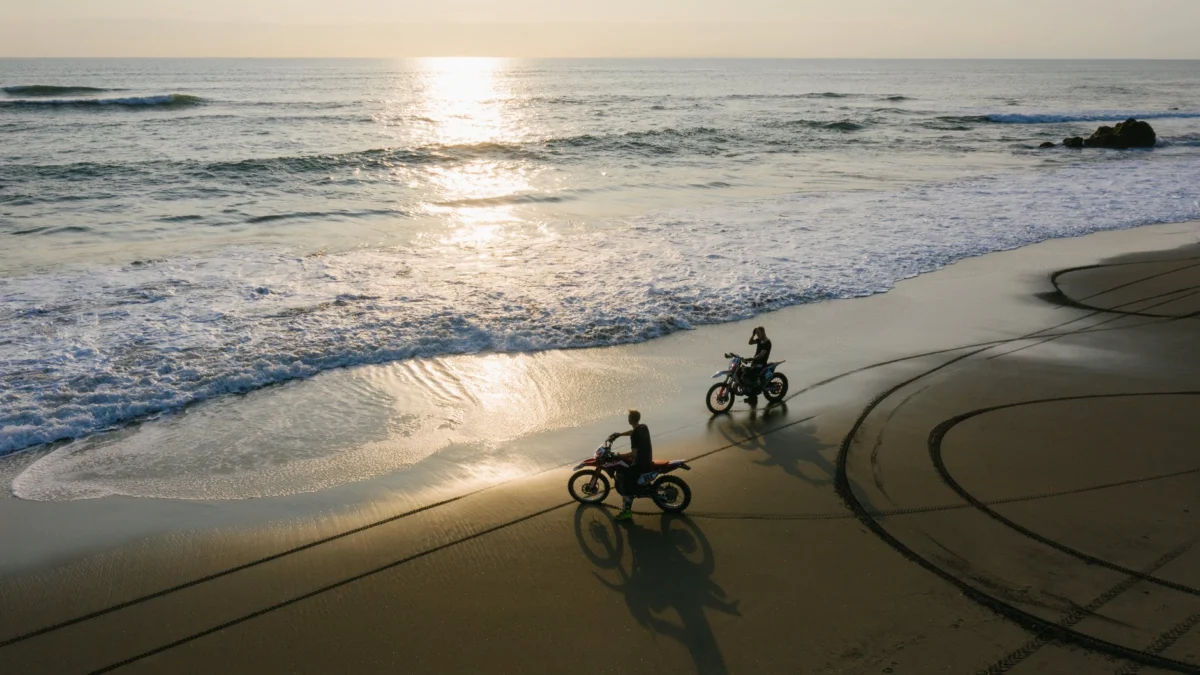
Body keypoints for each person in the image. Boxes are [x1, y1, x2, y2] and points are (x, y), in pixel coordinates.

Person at [607, 409, 652, 521]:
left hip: (640, 463)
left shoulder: (635, 436)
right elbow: (633, 431)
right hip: (647, 458)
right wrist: (619, 435)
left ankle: (626, 512)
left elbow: (633, 455)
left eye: (628, 417)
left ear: (631, 419)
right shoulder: (643, 427)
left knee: (624, 481)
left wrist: (618, 455)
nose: (628, 419)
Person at [745, 326, 771, 405]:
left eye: (758, 333)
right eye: (756, 333)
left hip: (761, 364)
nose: (757, 335)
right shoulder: (759, 340)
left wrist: (752, 359)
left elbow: (761, 355)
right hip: (755, 363)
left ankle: (753, 396)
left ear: (763, 332)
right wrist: (752, 335)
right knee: (744, 372)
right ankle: (749, 393)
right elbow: (750, 342)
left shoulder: (767, 342)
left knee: (750, 375)